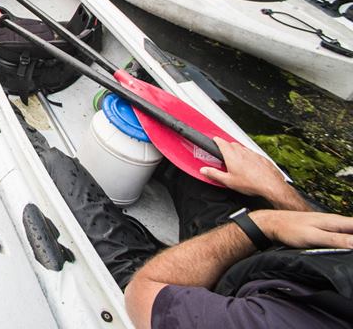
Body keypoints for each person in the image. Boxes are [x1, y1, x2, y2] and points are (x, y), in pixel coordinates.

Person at [29, 123, 353, 328]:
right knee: (192, 155)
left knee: (56, 170)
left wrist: (262, 223)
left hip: (179, 293)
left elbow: (144, 294)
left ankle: (34, 145)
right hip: (268, 264)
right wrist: (277, 192)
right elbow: (332, 246)